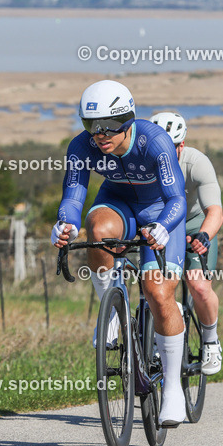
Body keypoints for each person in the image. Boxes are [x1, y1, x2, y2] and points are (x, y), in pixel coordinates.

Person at [51, 80, 188, 427]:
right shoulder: (81, 147)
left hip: (161, 211)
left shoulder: (154, 141)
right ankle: (111, 308)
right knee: (96, 229)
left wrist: (162, 227)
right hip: (119, 205)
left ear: (128, 120)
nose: (100, 135)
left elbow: (177, 199)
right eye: (91, 126)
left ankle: (172, 389)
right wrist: (64, 223)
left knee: (158, 292)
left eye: (109, 127)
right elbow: (73, 196)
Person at [150, 111, 223, 375]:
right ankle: (156, 338)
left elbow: (214, 210)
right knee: (154, 287)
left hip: (193, 224)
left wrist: (204, 235)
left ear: (182, 145)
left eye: (171, 148)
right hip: (159, 226)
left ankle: (211, 339)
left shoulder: (196, 163)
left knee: (198, 285)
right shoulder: (145, 162)